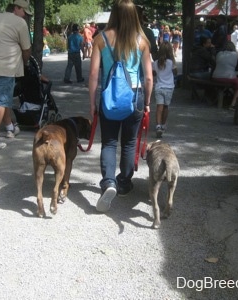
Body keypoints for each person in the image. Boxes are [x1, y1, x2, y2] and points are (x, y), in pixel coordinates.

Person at [89, 0, 153, 212]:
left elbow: (93, 75)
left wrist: (92, 103)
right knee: (129, 142)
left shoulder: (101, 38)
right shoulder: (142, 40)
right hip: (134, 97)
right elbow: (149, 78)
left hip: (109, 97)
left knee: (108, 142)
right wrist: (148, 102)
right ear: (134, 14)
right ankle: (124, 183)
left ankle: (108, 182)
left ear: (113, 14)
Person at [0, 0, 32, 150]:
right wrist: (25, 62)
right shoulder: (20, 23)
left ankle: (10, 127)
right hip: (6, 66)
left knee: (1, 100)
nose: (25, 16)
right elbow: (26, 49)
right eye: (24, 12)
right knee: (1, 101)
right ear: (17, 8)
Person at [152, 41, 177, 138]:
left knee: (159, 107)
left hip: (159, 87)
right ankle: (163, 124)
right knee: (166, 107)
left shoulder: (156, 63)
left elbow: (154, 74)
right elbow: (175, 72)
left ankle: (158, 125)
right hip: (169, 87)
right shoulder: (171, 63)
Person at [212, 41, 238, 110]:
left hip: (216, 77)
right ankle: (233, 104)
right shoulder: (236, 55)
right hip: (229, 77)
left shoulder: (219, 54)